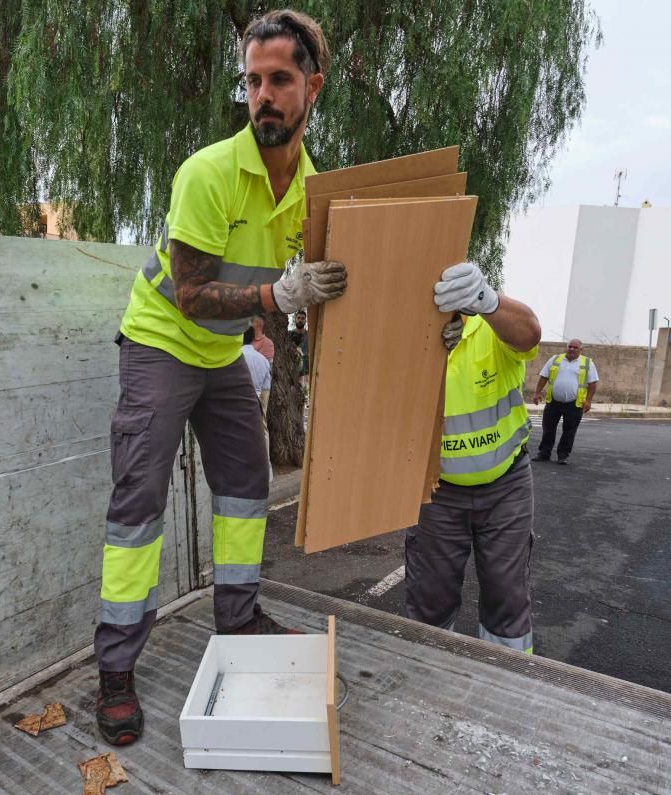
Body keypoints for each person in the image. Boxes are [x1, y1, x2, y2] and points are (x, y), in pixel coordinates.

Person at [95, 8, 348, 745]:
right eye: (252, 81)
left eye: (279, 80)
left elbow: (314, 283)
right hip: (162, 343)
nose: (263, 96)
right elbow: (196, 294)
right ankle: (115, 667)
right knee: (137, 503)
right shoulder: (208, 172)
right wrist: (275, 300)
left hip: (223, 353)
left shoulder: (312, 190)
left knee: (245, 486)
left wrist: (280, 320)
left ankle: (237, 616)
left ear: (312, 86)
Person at [404, 268, 543, 653]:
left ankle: (508, 681)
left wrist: (488, 301)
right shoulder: (409, 339)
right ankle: (428, 676)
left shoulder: (492, 329)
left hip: (506, 487)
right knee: (429, 596)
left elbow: (530, 332)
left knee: (507, 594)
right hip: (436, 492)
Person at [533, 339, 598, 464]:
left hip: (574, 404)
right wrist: (537, 393)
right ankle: (544, 453)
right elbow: (543, 376)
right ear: (566, 347)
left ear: (581, 350)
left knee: (569, 431)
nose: (572, 349)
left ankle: (563, 455)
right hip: (553, 402)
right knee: (548, 429)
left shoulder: (587, 363)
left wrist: (588, 401)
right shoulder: (555, 359)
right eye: (570, 347)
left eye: (575, 347)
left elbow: (593, 383)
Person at [242, 328, 274, 481]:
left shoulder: (236, 357)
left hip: (241, 397)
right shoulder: (262, 359)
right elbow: (267, 384)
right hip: (260, 396)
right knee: (263, 430)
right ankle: (266, 469)